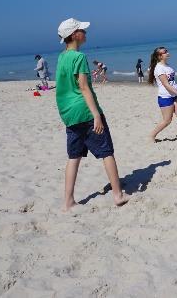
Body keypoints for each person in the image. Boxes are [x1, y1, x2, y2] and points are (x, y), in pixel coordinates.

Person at [55, 18, 129, 211]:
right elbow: (84, 87)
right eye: (82, 30)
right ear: (74, 35)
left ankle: (68, 201)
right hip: (85, 111)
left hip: (68, 113)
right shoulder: (79, 58)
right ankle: (117, 194)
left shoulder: (62, 57)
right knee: (107, 152)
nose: (86, 33)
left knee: (74, 157)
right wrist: (96, 114)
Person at [148, 46, 177, 142]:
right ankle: (152, 135)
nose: (167, 52)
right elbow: (166, 85)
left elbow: (172, 82)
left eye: (166, 51)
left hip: (175, 95)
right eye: (165, 52)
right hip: (165, 97)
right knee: (167, 121)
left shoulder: (167, 66)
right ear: (160, 56)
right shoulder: (159, 68)